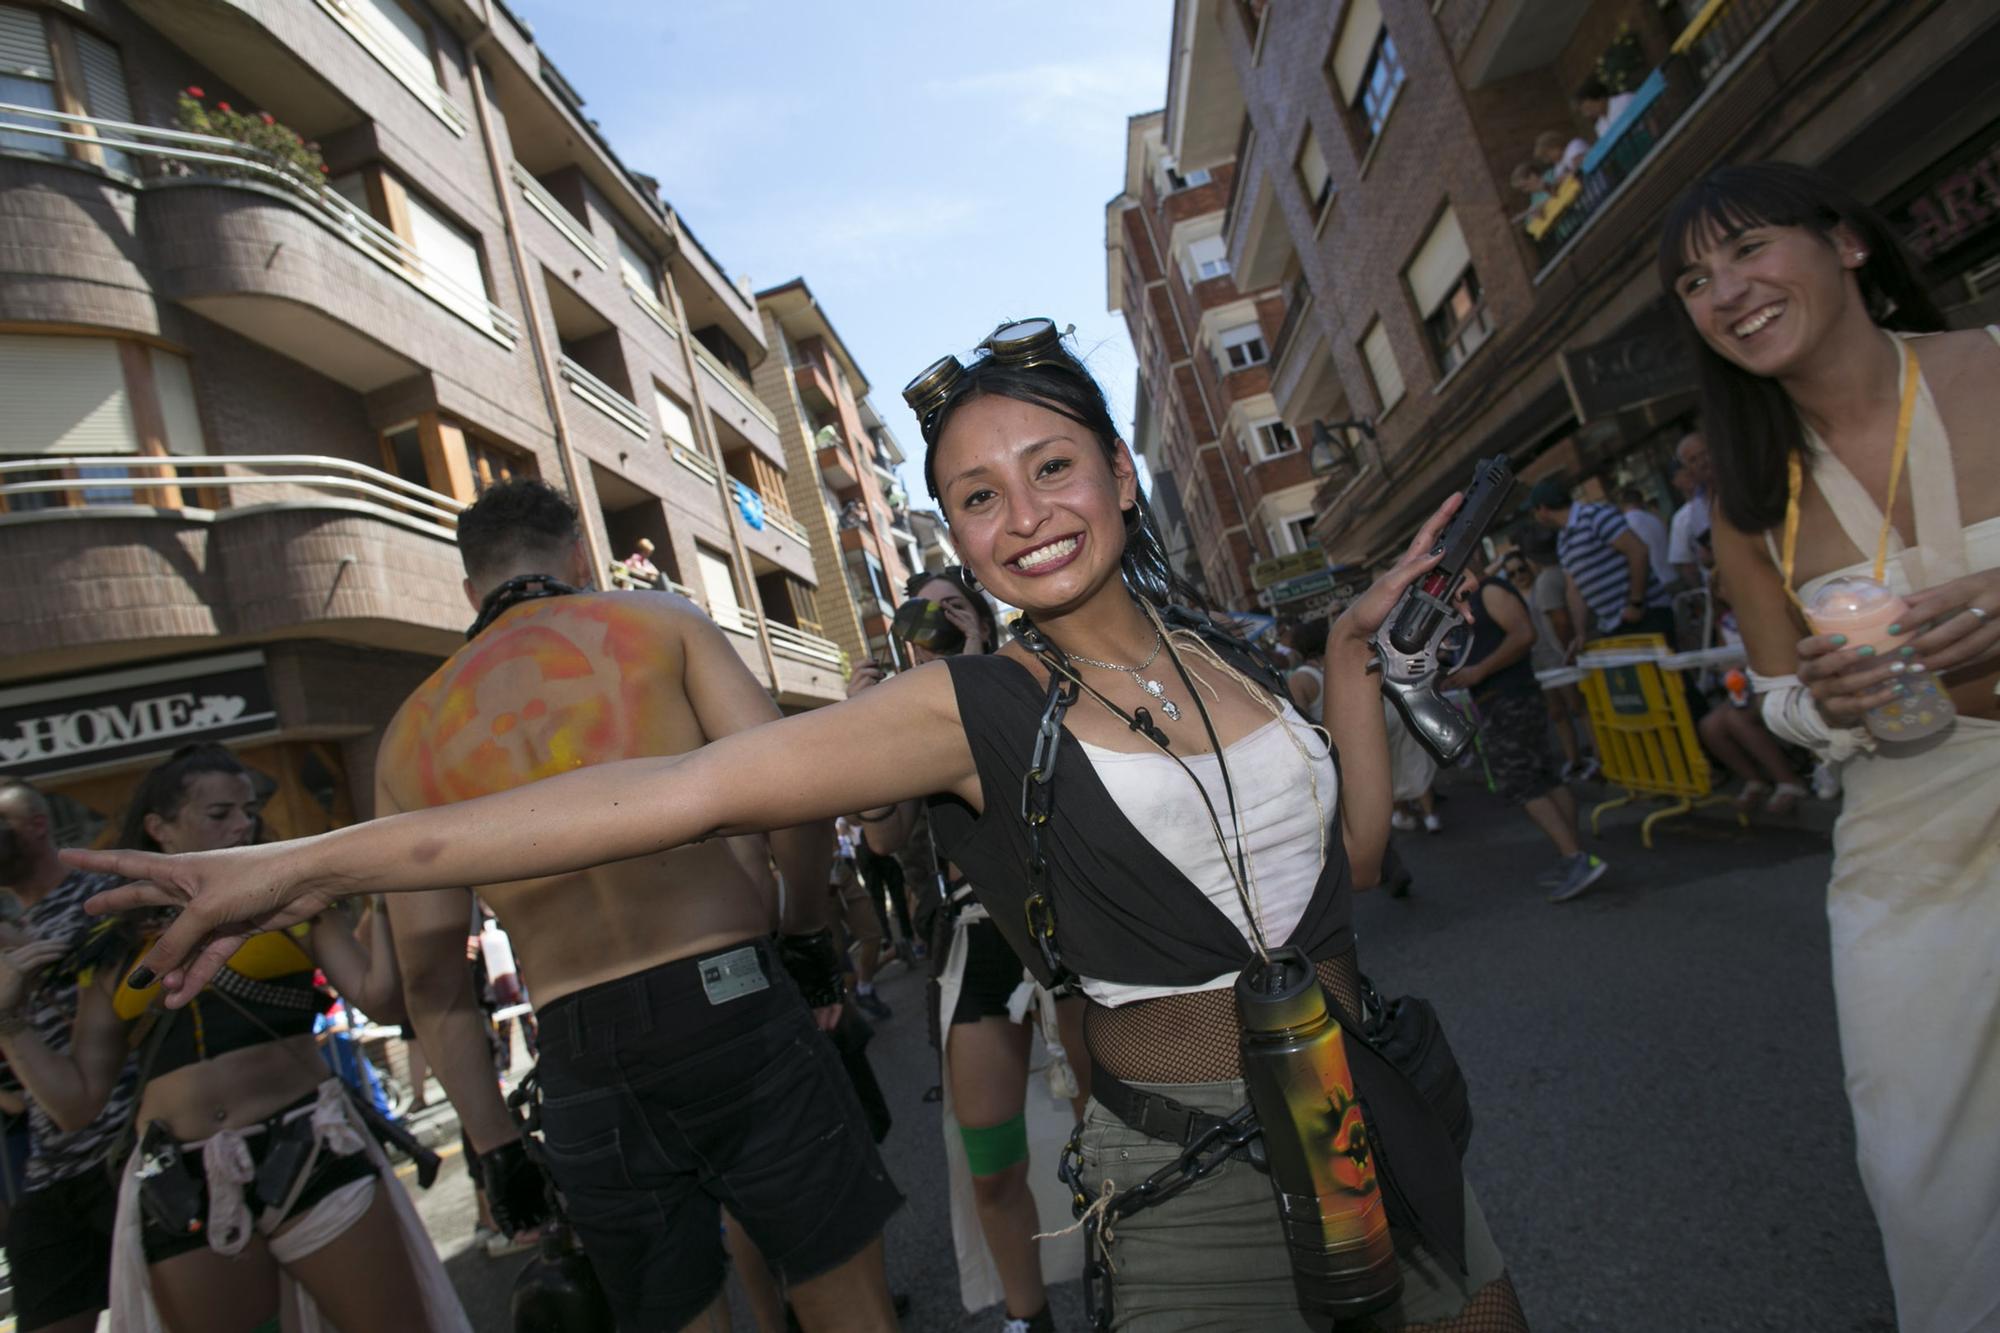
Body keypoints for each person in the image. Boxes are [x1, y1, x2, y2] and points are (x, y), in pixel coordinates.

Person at [76, 318, 1526, 1331]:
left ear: (1118, 471)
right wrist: (307, 860)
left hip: (1380, 1100)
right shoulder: (966, 702)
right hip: (1189, 1156)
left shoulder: (1231, 660)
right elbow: (664, 793)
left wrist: (1342, 664)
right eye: (975, 495)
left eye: (1051, 468)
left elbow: (1352, 867)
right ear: (952, 534)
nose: (1021, 514)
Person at [371, 478, 901, 1333]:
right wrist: (805, 929)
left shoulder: (411, 732)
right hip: (733, 1003)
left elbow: (431, 976)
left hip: (582, 1054)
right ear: (580, 556)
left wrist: (495, 1143)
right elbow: (793, 794)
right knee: (849, 1307)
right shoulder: (661, 626)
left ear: (469, 589)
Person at [1661, 159, 2000, 1333]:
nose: (1725, 291)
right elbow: (1774, 700)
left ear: (1844, 243)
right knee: (1925, 1168)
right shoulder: (1748, 500)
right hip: (1909, 840)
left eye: (1747, 248)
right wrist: (1827, 700)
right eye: (1694, 280)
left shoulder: (1990, 365)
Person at [0, 754, 462, 1333]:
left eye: (248, 811)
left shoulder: (293, 902)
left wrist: (385, 904)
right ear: (159, 828)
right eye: (220, 812)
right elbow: (76, 1104)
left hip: (307, 1143)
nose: (242, 825)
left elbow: (382, 999)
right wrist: (7, 1019)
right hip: (177, 1179)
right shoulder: (111, 944)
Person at [849, 565, 1086, 1333]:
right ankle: (1029, 1316)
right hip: (975, 947)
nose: (940, 623)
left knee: (1111, 1135)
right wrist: (867, 721)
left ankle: (1140, 1283)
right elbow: (883, 833)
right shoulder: (901, 721)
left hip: (1066, 934)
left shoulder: (1030, 682)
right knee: (993, 1161)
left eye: (953, 608)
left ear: (983, 619)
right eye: (921, 617)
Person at [0, 777, 137, 1333]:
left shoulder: (101, 900)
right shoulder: (12, 928)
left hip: (126, 1155)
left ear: (37, 825)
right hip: (52, 1168)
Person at [1444, 578, 1608, 903]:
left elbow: (1524, 634)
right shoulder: (1466, 602)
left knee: (1520, 781)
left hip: (1510, 699)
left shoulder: (1488, 591)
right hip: (1504, 699)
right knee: (1543, 777)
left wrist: (1479, 671)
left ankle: (1575, 857)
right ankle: (1573, 856)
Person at [1530, 477, 1675, 640]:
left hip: (1647, 615)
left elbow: (1638, 551)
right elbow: (1574, 589)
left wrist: (1636, 603)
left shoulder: (1595, 516)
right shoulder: (1563, 539)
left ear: (1542, 509)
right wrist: (1580, 634)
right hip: (1615, 627)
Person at [1507, 535, 1597, 781]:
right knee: (1557, 713)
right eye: (1511, 574)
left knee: (1578, 706)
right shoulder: (1511, 598)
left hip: (1557, 657)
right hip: (1537, 662)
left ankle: (1600, 757)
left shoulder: (1543, 587)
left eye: (1521, 569)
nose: (1518, 576)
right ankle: (1573, 760)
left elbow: (1560, 621)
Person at [1667, 432, 1715, 589]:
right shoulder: (1696, 510)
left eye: (1704, 454)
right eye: (1693, 460)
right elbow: (1688, 564)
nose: (1702, 462)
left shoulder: (1740, 486)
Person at [1618, 487, 1675, 591]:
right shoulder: (1654, 519)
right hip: (1672, 576)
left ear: (1622, 504)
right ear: (1641, 501)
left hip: (1655, 584)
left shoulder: (1624, 524)